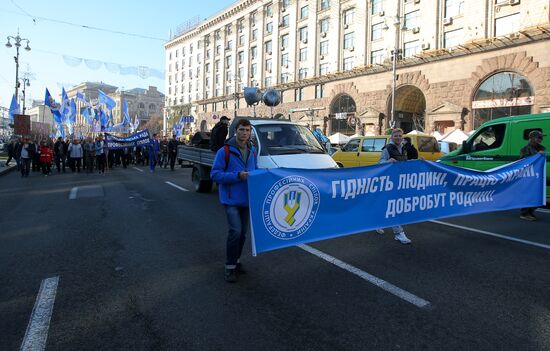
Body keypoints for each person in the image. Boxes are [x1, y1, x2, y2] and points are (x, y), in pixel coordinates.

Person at [211, 119, 258, 283]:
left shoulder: (252, 150)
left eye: (247, 130)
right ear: (235, 131)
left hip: (246, 199)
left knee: (243, 234)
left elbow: (256, 171)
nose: (244, 133)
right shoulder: (224, 151)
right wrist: (237, 176)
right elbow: (215, 175)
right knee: (235, 232)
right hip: (231, 199)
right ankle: (229, 266)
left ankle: (236, 261)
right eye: (241, 130)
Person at [376, 128, 412, 244]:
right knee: (394, 207)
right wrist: (387, 161)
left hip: (401, 182)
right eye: (395, 136)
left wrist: (418, 161)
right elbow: (380, 163)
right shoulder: (387, 149)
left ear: (402, 137)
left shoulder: (404, 148)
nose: (398, 137)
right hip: (390, 182)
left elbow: (405, 162)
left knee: (389, 206)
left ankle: (378, 222)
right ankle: (398, 233)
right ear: (392, 137)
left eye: (399, 136)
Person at [519, 130, 546, 221]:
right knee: (528, 194)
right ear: (532, 138)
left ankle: (530, 211)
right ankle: (525, 213)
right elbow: (524, 162)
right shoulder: (525, 149)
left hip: (538, 176)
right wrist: (537, 155)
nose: (540, 140)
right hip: (529, 176)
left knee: (539, 195)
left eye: (541, 138)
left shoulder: (542, 148)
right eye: (539, 138)